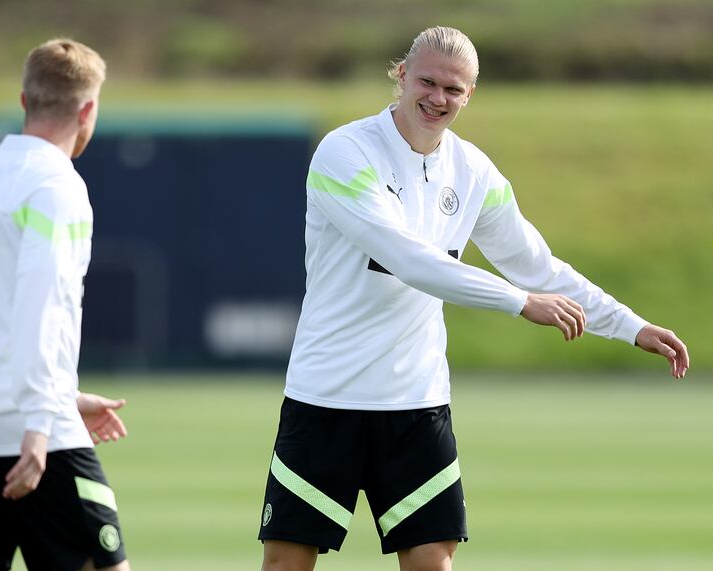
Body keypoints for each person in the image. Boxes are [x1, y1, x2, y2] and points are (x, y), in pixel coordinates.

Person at [258, 26, 689, 571]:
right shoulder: (344, 153)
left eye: (454, 90)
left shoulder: (475, 171)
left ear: (470, 95)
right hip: (326, 397)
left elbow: (537, 265)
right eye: (428, 82)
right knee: (286, 565)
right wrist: (518, 302)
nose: (438, 98)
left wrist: (631, 326)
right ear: (401, 76)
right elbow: (408, 258)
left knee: (434, 562)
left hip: (417, 401)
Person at [0, 39, 133, 571]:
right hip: (35, 436)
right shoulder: (58, 188)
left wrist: (64, 393)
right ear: (88, 110)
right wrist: (43, 417)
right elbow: (44, 306)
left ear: (24, 100)